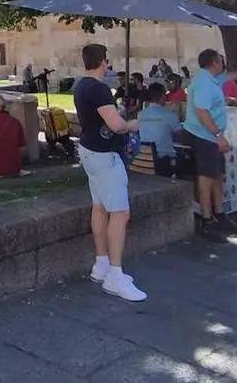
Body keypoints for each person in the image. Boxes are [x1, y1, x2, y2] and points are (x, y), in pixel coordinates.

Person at [74, 43, 146, 302]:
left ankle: (101, 263)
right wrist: (132, 124)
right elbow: (116, 125)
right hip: (106, 156)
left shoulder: (81, 85)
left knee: (99, 206)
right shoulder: (98, 88)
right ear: (103, 61)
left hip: (90, 151)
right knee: (120, 212)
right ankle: (115, 275)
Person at [183, 49, 237, 240]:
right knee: (206, 177)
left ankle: (220, 214)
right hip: (204, 136)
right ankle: (207, 219)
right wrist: (218, 135)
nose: (222, 64)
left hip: (209, 136)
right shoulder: (203, 83)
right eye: (220, 61)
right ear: (213, 63)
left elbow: (226, 78)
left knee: (216, 174)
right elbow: (202, 112)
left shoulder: (211, 79)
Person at [138, 82, 180, 177]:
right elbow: (180, 137)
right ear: (162, 96)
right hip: (164, 162)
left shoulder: (140, 114)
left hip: (143, 160)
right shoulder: (170, 115)